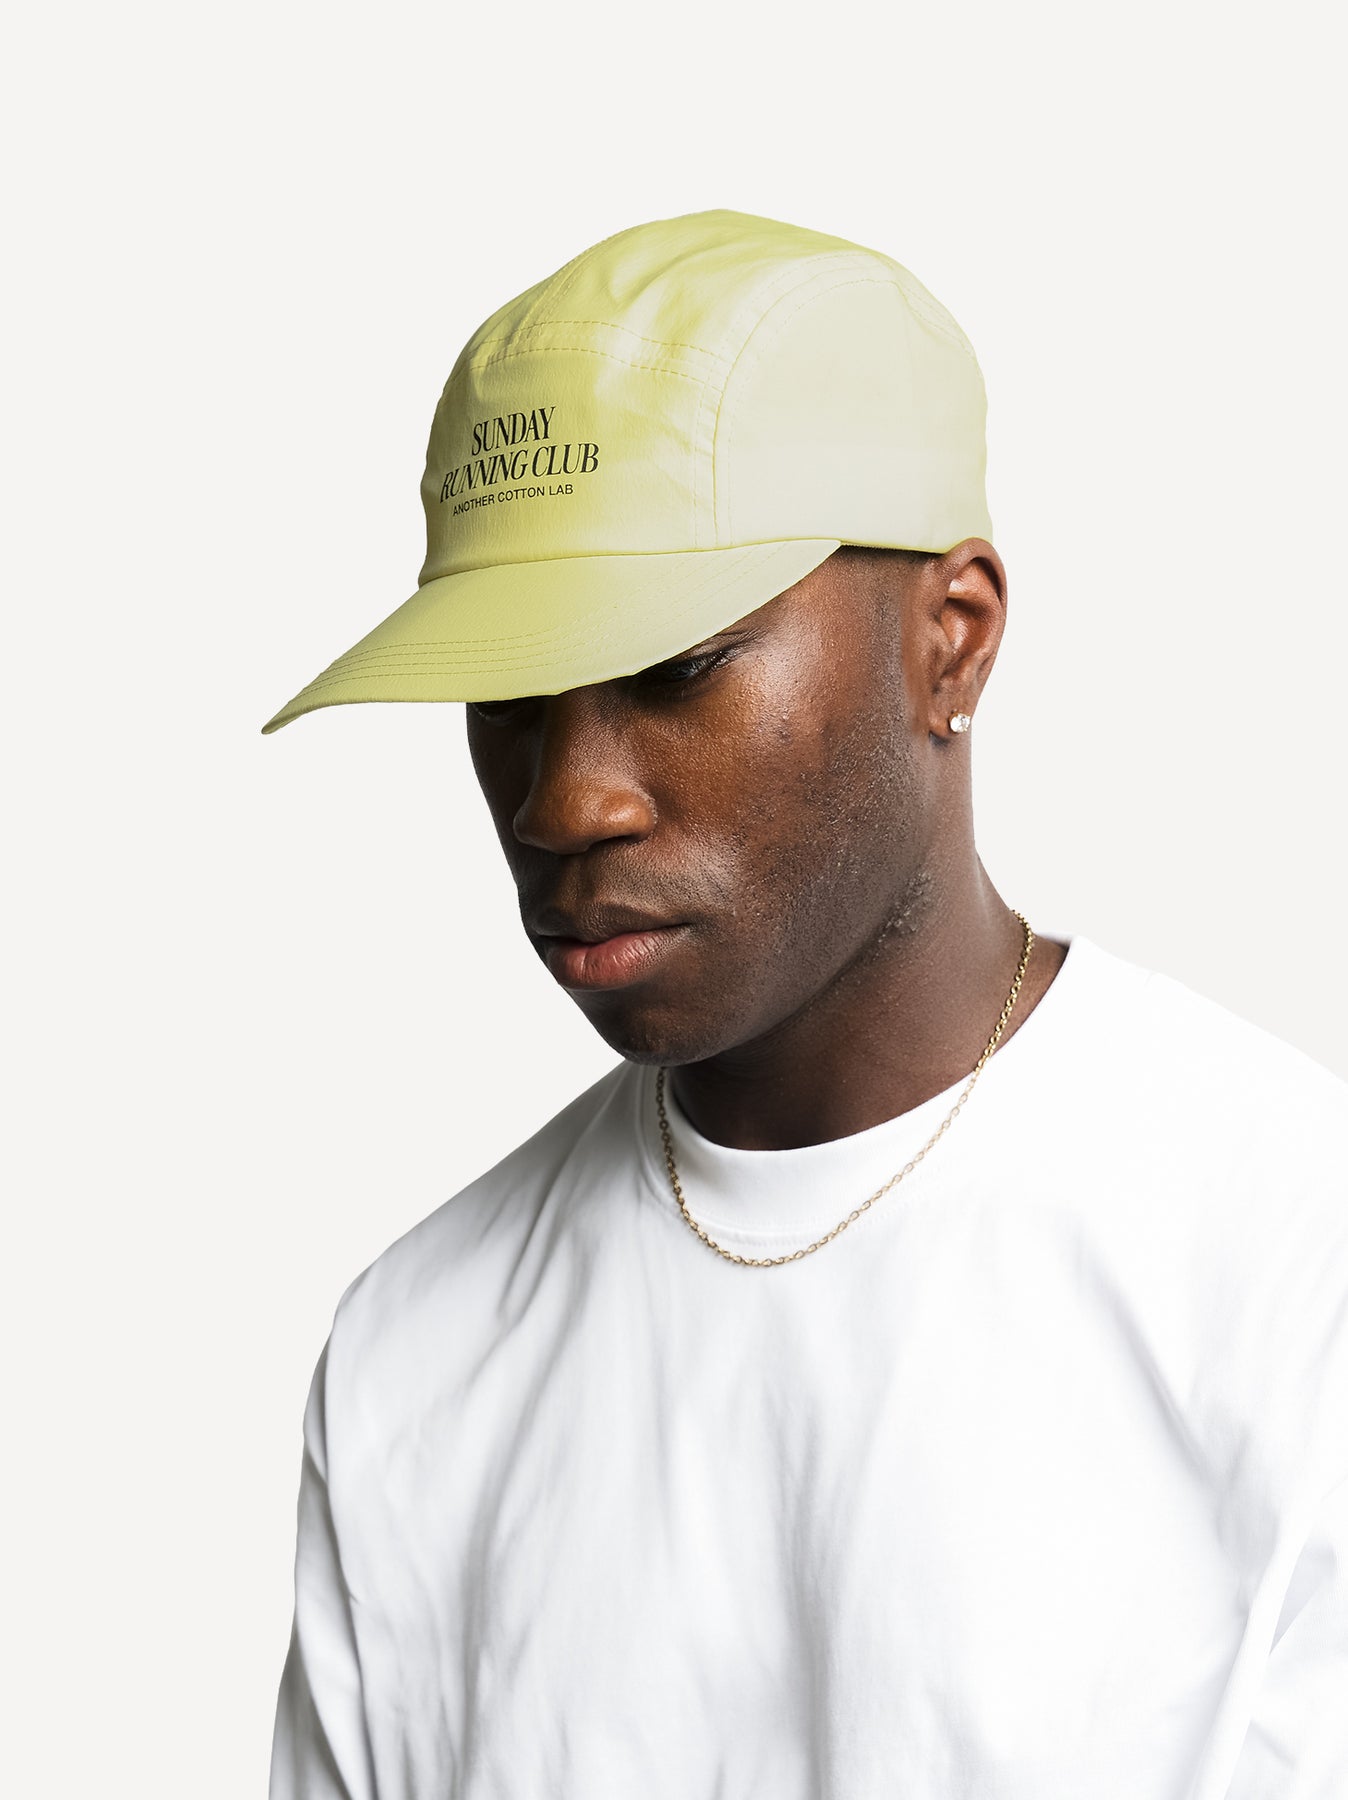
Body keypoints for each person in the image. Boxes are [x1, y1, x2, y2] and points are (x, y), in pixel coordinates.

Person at [261, 210, 1348, 1799]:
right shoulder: (413, 1355)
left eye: (675, 666)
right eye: (508, 693)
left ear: (951, 643)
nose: (565, 800)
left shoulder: (1291, 1263)